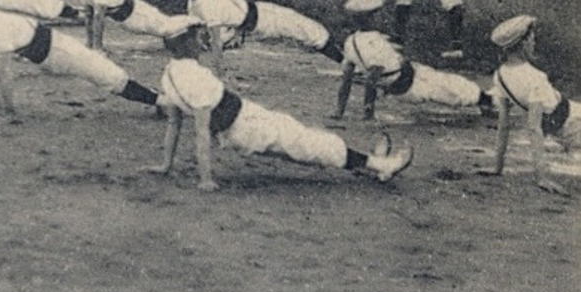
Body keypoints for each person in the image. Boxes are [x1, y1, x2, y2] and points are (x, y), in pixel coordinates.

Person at [145, 25, 413, 191]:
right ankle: (381, 164)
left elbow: (174, 123)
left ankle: (367, 164)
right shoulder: (196, 77)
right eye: (195, 37)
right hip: (246, 127)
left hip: (245, 120)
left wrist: (165, 164)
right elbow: (201, 130)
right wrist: (205, 178)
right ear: (186, 44)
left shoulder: (170, 73)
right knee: (315, 144)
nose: (200, 41)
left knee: (310, 143)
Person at [0, 7, 163, 119]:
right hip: (58, 52)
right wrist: (10, 111)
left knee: (108, 75)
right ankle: (159, 101)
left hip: (53, 51)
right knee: (112, 78)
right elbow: (4, 73)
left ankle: (157, 100)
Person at [333, 0, 493, 121]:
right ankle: (486, 100)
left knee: (448, 82)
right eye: (377, 14)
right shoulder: (374, 43)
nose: (382, 17)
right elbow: (371, 79)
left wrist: (339, 111)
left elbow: (347, 78)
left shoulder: (351, 40)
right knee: (452, 92)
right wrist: (368, 114)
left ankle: (484, 99)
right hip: (409, 85)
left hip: (411, 73)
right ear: (370, 18)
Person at [171, 0, 343, 64]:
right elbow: (215, 37)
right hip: (262, 20)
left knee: (306, 28)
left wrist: (233, 32)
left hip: (257, 12)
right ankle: (346, 64)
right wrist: (218, 68)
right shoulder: (205, 5)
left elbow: (223, 18)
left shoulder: (195, 1)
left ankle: (345, 61)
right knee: (309, 30)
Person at [482, 15, 578, 196]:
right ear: (522, 43)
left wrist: (497, 167)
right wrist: (541, 178)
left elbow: (503, 126)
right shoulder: (536, 77)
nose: (534, 43)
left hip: (567, 125)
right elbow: (534, 128)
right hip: (573, 124)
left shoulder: (500, 75)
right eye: (532, 39)